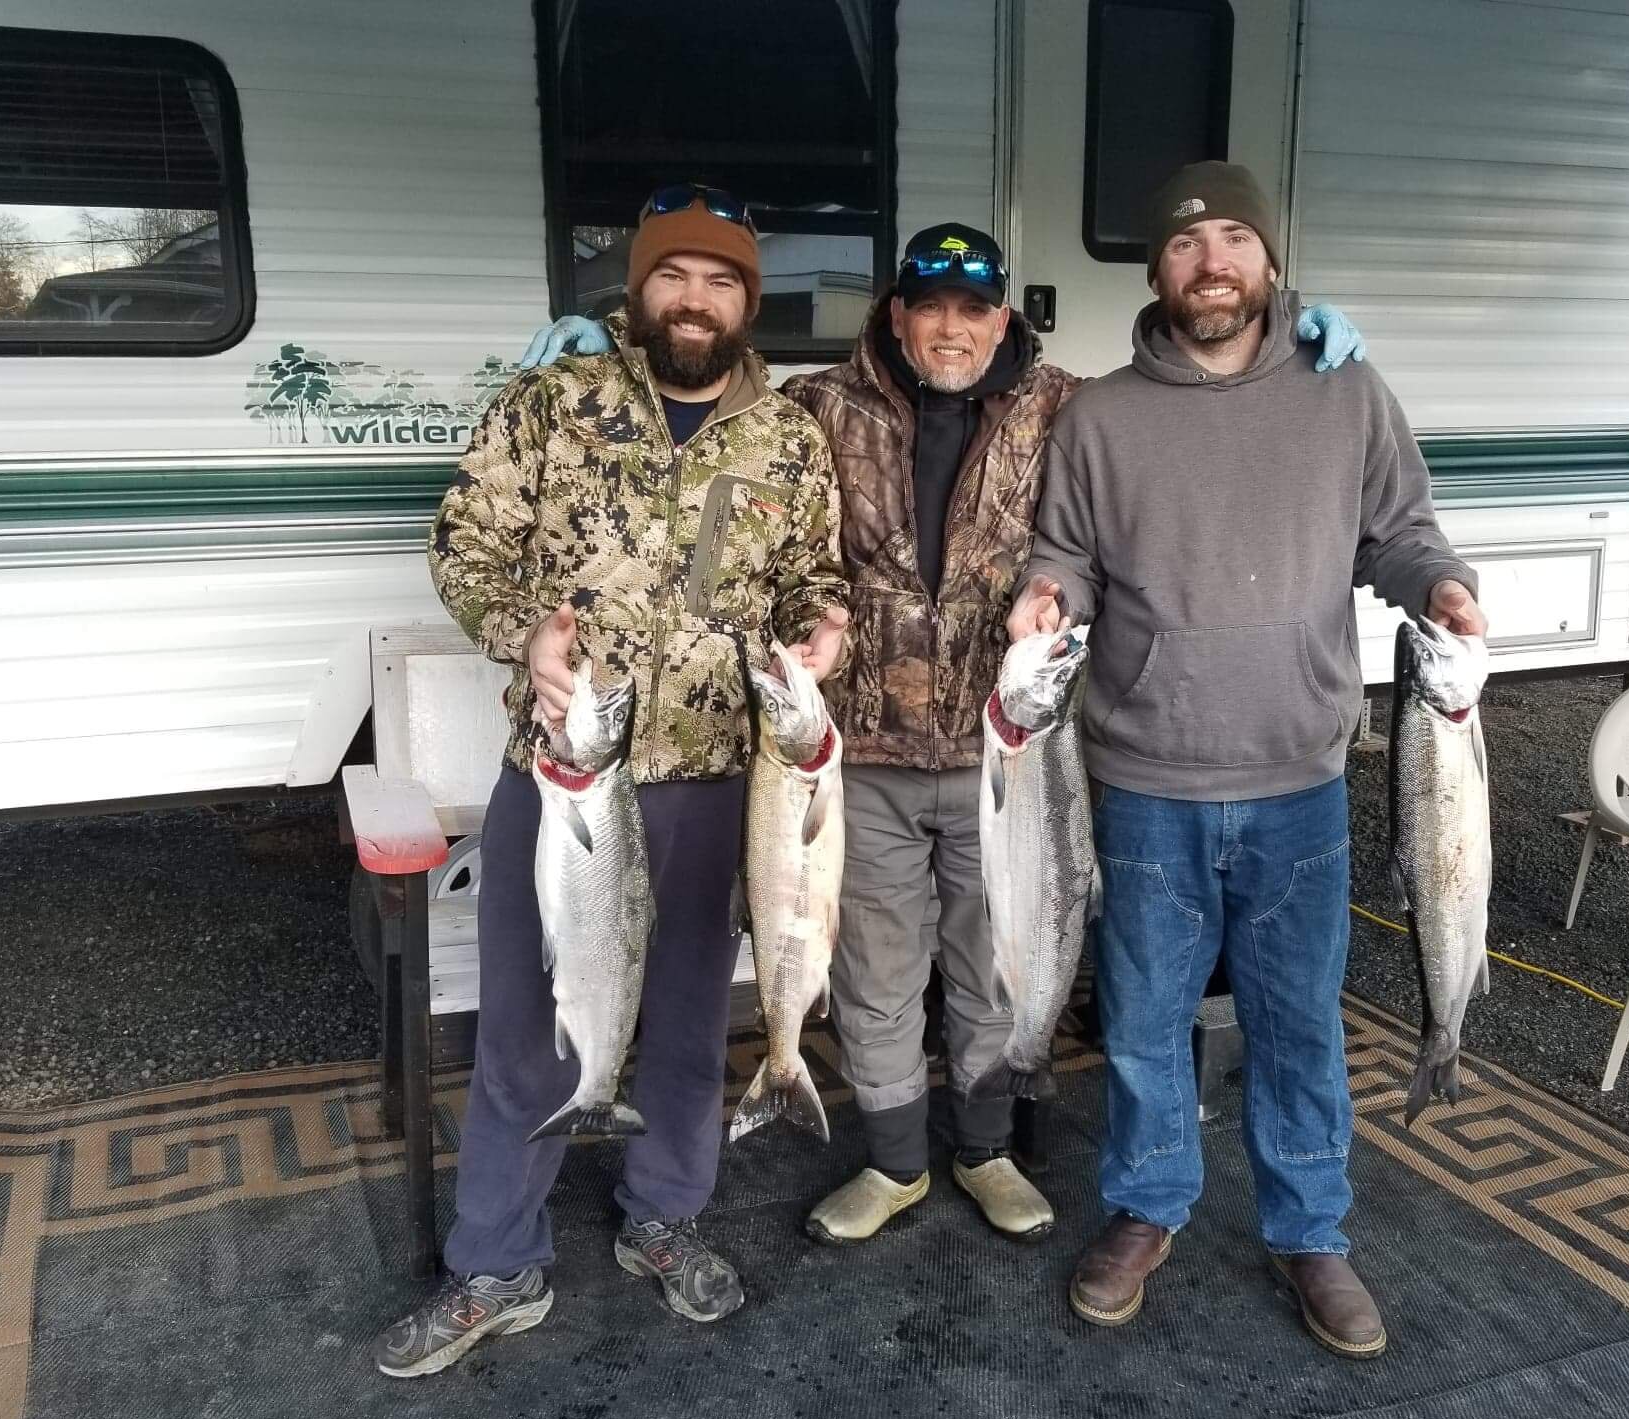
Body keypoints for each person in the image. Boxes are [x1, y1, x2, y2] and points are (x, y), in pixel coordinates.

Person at [516, 223, 1367, 1252]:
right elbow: (702, 402)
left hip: (1001, 760)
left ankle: (987, 1149)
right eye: (930, 306)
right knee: (873, 972)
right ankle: (894, 1161)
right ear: (899, 314)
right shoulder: (816, 406)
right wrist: (607, 349)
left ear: (1000, 318)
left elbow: (1193, 393)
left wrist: (1297, 338)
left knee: (994, 965)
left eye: (973, 308)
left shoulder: (1070, 408)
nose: (951, 327)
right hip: (853, 760)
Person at [1006, 161, 1486, 1355]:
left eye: (1232, 239)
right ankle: (1147, 1208)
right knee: (1142, 1020)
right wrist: (1044, 597)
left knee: (1298, 1022)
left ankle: (1311, 1229)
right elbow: (1063, 550)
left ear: (1270, 260)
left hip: (1301, 780)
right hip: (1150, 781)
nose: (1209, 261)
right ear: (1156, 270)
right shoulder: (1102, 415)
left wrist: (1446, 587)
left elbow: (1400, 533)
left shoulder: (1347, 394)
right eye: (1183, 245)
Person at [374, 183, 849, 1377]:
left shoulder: (788, 436)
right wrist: (523, 630)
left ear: (750, 300)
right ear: (638, 289)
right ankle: (496, 1262)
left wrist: (822, 629)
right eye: (674, 277)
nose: (696, 300)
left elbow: (813, 574)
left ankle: (665, 1219)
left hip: (710, 784)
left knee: (691, 1021)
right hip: (562, 776)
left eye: (722, 281)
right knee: (526, 1027)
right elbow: (463, 542)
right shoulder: (554, 404)